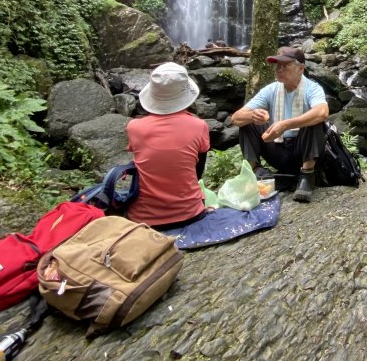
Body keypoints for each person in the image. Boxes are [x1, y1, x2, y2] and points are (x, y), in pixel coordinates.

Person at [229, 46, 329, 204]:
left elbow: (323, 112)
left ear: (301, 68)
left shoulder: (312, 88)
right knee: (247, 122)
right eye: (278, 66)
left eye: (285, 66)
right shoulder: (271, 90)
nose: (279, 70)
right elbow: (235, 118)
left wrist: (285, 125)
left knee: (315, 120)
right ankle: (256, 171)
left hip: (302, 151)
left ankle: (307, 175)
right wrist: (252, 115)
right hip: (277, 148)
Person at [125, 62, 210, 230]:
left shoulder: (134, 127)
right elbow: (197, 172)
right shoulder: (199, 126)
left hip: (144, 220)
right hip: (190, 214)